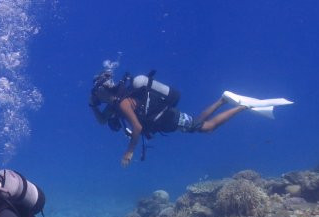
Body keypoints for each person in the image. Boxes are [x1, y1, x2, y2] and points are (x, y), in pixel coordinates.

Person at [89, 68, 293, 166]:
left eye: (97, 92)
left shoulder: (122, 103)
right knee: (198, 124)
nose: (96, 96)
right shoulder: (116, 105)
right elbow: (102, 120)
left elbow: (137, 128)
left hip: (167, 118)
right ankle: (222, 101)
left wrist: (129, 152)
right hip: (165, 119)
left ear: (104, 90)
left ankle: (242, 106)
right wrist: (92, 107)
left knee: (207, 128)